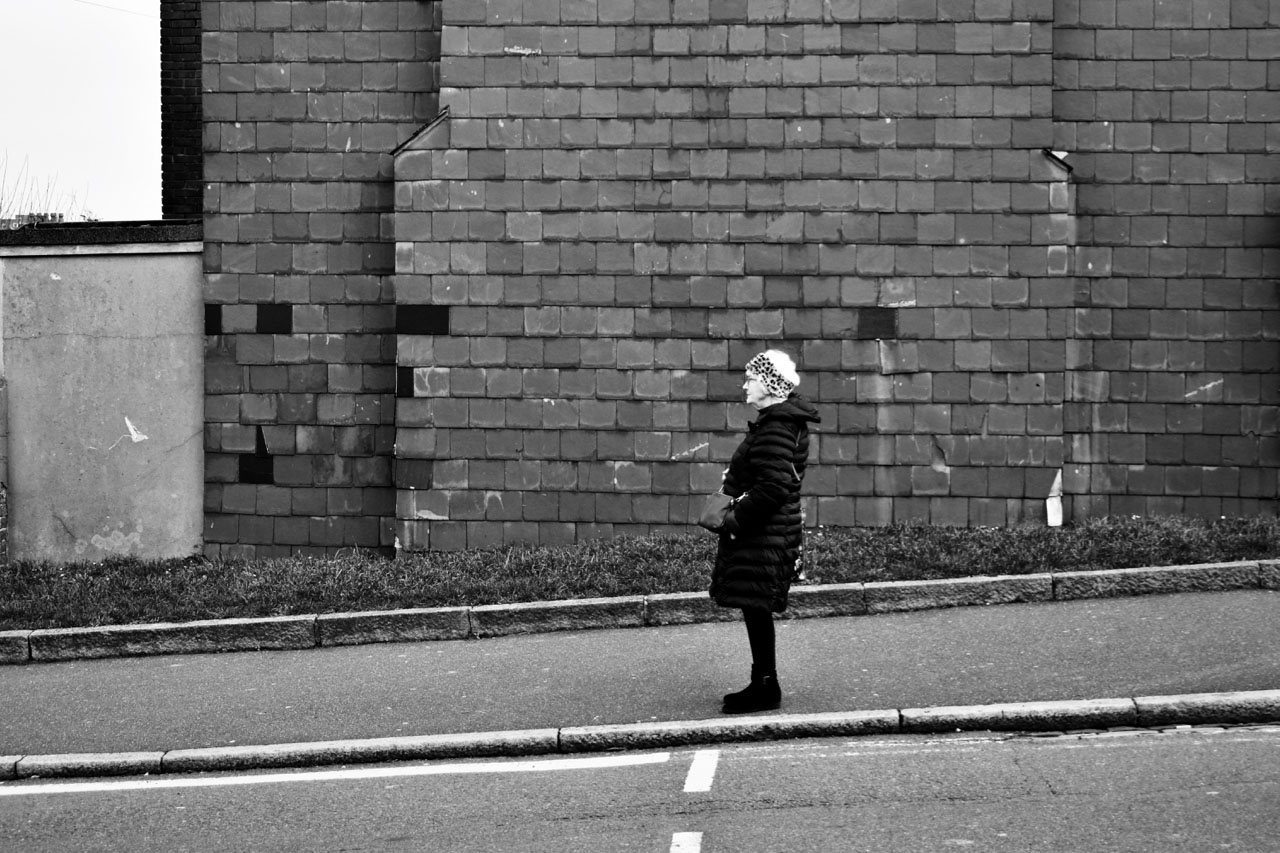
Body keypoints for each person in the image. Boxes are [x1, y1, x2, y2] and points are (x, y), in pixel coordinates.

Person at [710, 349, 821, 714]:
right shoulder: (776, 422)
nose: (745, 386)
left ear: (770, 385)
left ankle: (766, 687)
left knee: (756, 605)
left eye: (751, 379)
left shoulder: (777, 426)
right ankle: (762, 682)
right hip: (765, 530)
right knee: (754, 606)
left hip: (762, 531)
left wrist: (735, 518)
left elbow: (773, 488)